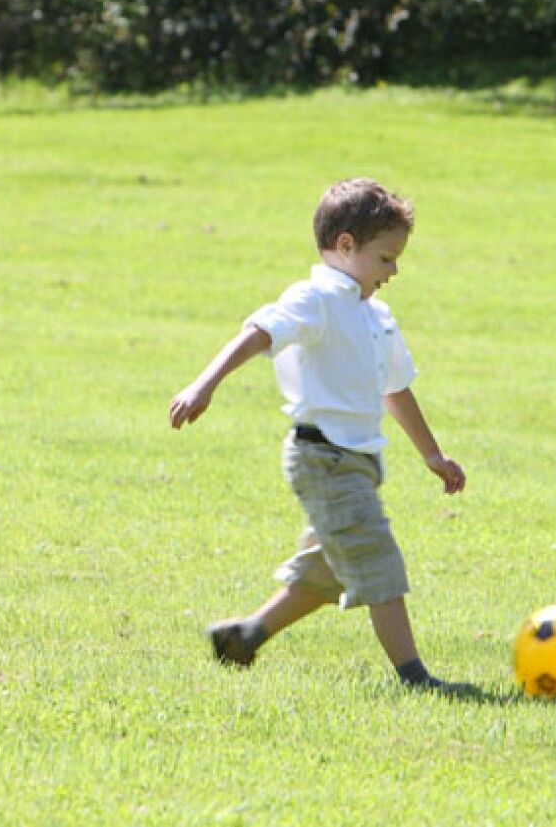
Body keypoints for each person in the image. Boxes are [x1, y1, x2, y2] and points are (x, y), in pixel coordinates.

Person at [168, 178, 467, 690]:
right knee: (377, 558)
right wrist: (204, 384)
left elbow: (395, 389)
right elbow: (258, 332)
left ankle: (244, 636)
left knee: (329, 569)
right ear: (346, 245)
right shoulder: (317, 298)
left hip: (358, 461)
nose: (394, 271)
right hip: (323, 457)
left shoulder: (376, 315)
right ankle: (416, 678)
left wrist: (432, 454)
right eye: (385, 258)